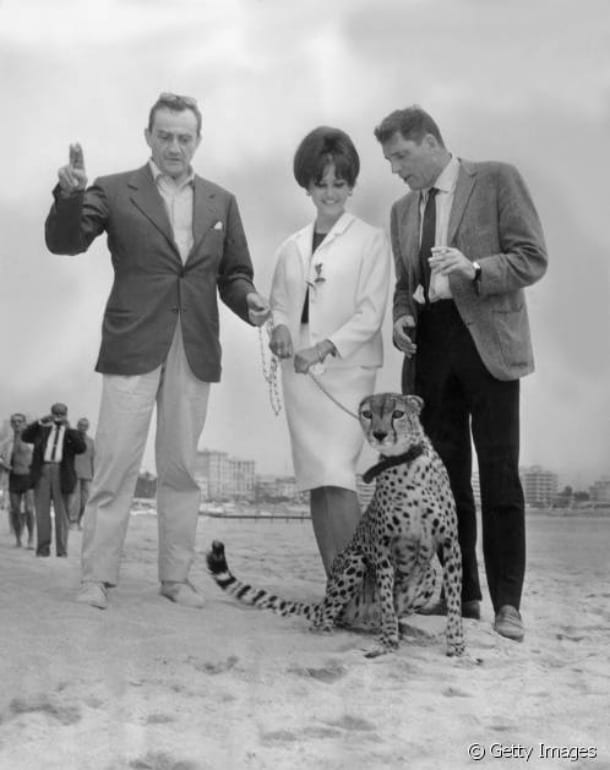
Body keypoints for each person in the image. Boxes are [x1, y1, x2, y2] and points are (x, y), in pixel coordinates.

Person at [45, 92, 270, 610]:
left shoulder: (221, 201)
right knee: (116, 466)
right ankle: (96, 579)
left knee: (182, 470)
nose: (174, 146)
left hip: (193, 347)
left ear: (198, 140)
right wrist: (68, 195)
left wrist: (251, 300)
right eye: (164, 135)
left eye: (184, 137)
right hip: (132, 343)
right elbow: (66, 243)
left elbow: (235, 274)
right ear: (148, 135)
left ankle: (176, 578)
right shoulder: (114, 189)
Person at [373, 106, 547, 641]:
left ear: (430, 142)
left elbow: (532, 258)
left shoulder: (496, 179)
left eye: (401, 156)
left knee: (499, 474)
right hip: (430, 350)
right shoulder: (402, 210)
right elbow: (405, 283)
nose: (396, 170)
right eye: (390, 160)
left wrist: (474, 270)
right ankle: (462, 595)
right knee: (445, 485)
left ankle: (508, 605)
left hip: (488, 343)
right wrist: (402, 314)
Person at [269, 126, 390, 576]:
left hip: (345, 372)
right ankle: (338, 584)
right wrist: (280, 330)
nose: (331, 192)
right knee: (316, 482)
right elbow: (280, 304)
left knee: (338, 475)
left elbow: (370, 314)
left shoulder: (371, 240)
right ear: (307, 185)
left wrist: (322, 347)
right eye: (322, 183)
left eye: (341, 183)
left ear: (352, 185)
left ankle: (366, 588)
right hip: (299, 374)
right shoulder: (290, 247)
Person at [22, 403, 86, 557]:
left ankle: (62, 550)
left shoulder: (72, 432)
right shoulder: (42, 430)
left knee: (62, 513)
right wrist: (40, 421)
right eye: (55, 413)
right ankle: (43, 549)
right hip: (43, 470)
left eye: (61, 413)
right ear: (51, 413)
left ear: (66, 414)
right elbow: (25, 436)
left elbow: (81, 448)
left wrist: (68, 428)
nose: (58, 416)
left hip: (62, 473)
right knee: (42, 512)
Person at [0, 413, 35, 548]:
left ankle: (31, 538)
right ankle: (19, 538)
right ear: (11, 424)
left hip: (28, 477)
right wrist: (4, 465)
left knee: (29, 509)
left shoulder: (31, 441)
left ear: (24, 423)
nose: (17, 424)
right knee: (15, 510)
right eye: (14, 422)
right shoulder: (7, 442)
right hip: (13, 478)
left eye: (20, 421)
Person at [69, 418, 95, 529]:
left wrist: (94, 474)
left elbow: (93, 459)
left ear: (88, 427)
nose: (82, 427)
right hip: (74, 472)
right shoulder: (71, 440)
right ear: (77, 425)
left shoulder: (91, 442)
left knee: (85, 500)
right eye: (81, 425)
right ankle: (72, 521)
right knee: (74, 499)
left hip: (87, 474)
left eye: (85, 426)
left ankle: (79, 520)